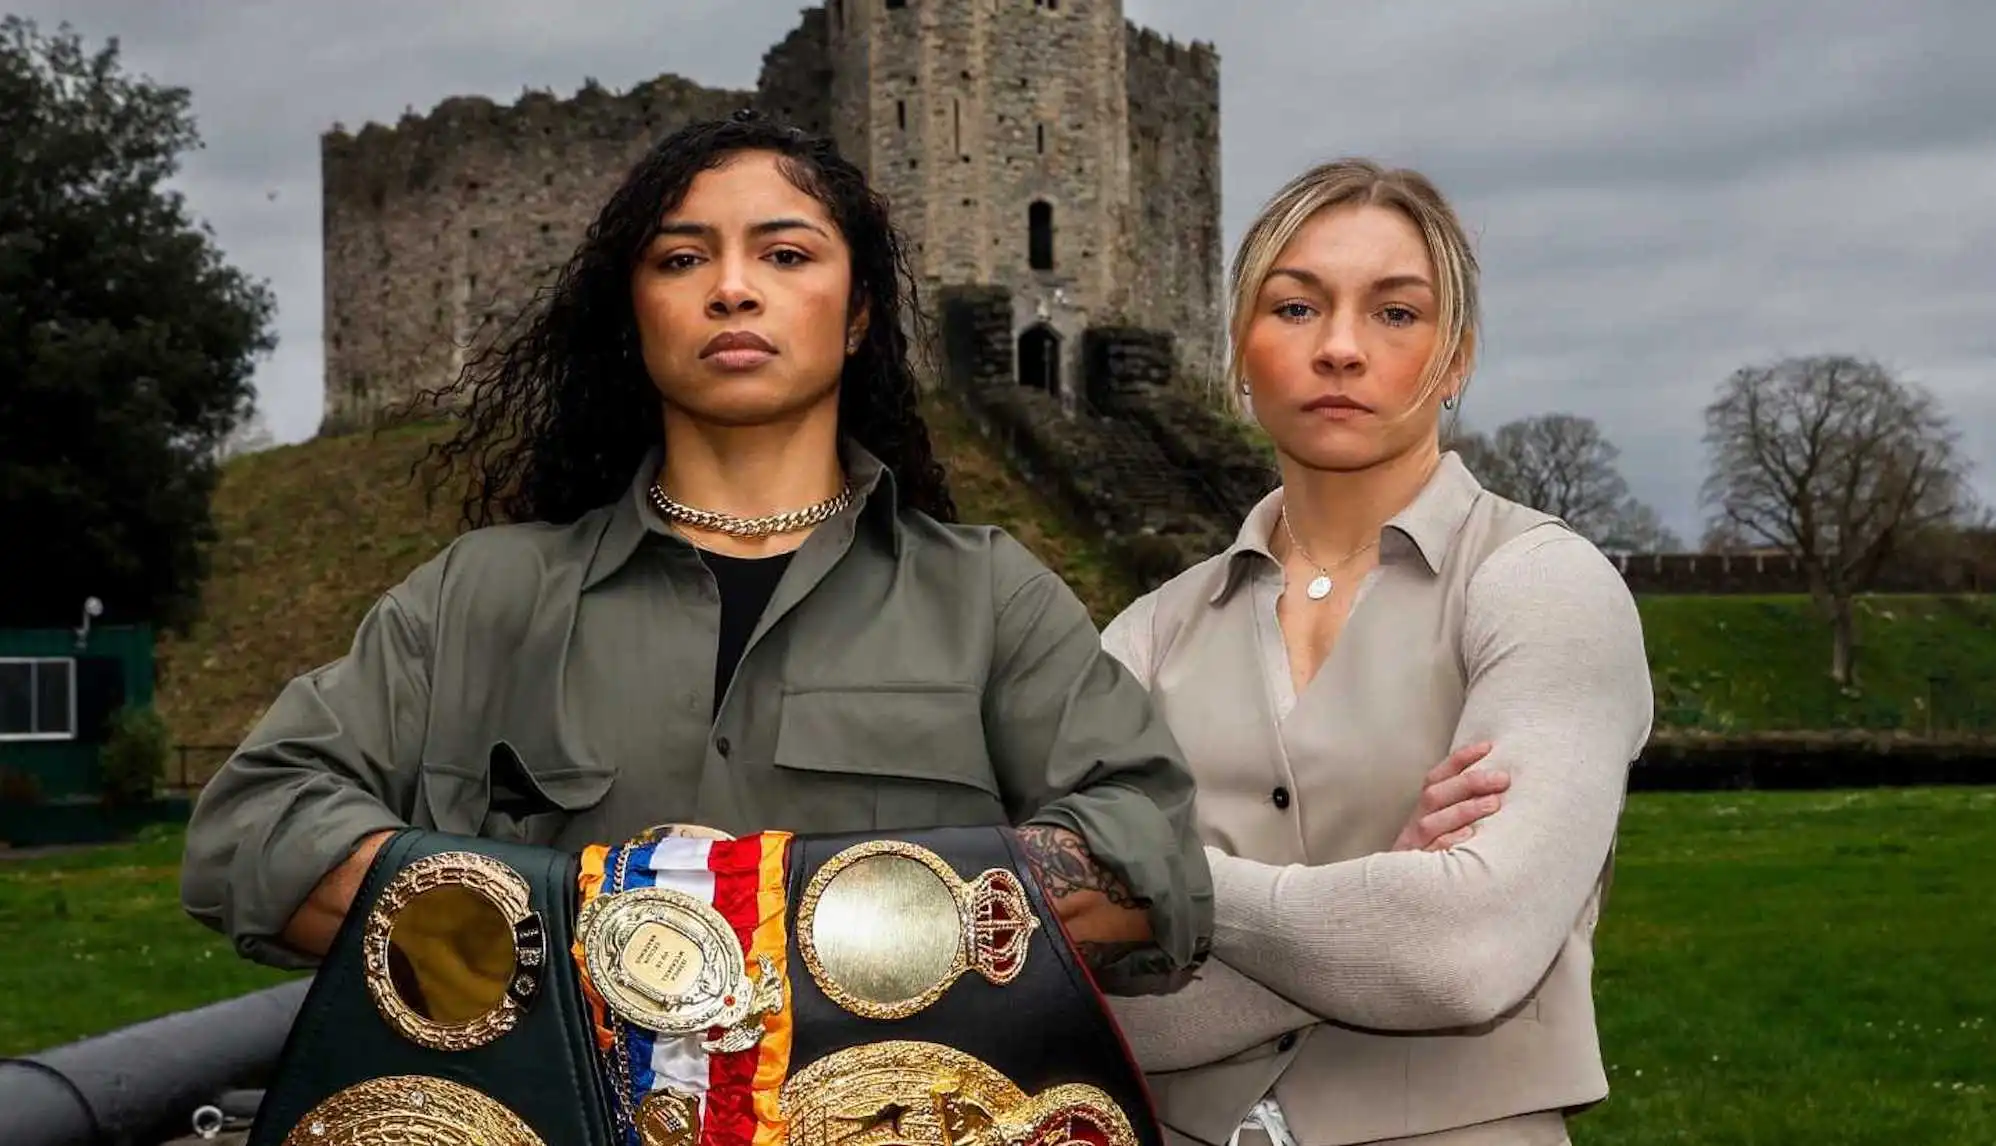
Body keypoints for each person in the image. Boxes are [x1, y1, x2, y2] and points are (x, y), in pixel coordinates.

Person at [179, 111, 1208, 998]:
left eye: (786, 254)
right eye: (680, 259)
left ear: (857, 317)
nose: (731, 288)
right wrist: (575, 936)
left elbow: (1150, 850)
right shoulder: (479, 598)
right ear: (635, 317)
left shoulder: (986, 597)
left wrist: (822, 934)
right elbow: (253, 826)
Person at [1100, 158, 1655, 1146]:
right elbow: (1074, 1000)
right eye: (1296, 308)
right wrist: (1377, 896)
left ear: (1456, 358)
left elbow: (1463, 955)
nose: (1341, 349)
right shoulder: (1146, 634)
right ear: (1237, 348)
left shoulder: (1542, 587)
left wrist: (1169, 888)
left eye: (1394, 314)